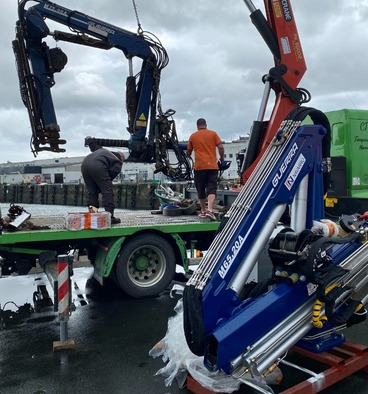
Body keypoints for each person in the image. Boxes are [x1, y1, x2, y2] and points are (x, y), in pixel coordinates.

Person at [186, 118, 225, 221]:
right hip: (212, 166)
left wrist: (188, 153)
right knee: (212, 188)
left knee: (200, 188)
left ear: (197, 125)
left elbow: (188, 152)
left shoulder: (193, 136)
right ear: (206, 125)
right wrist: (222, 158)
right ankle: (210, 210)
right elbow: (220, 147)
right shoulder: (213, 134)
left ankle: (203, 211)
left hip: (199, 167)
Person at [81, 148, 125, 225]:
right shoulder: (117, 161)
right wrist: (103, 186)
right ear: (121, 159)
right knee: (107, 191)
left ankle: (92, 215)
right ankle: (109, 217)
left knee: (92, 192)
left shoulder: (105, 152)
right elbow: (111, 174)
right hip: (98, 165)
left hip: (84, 164)